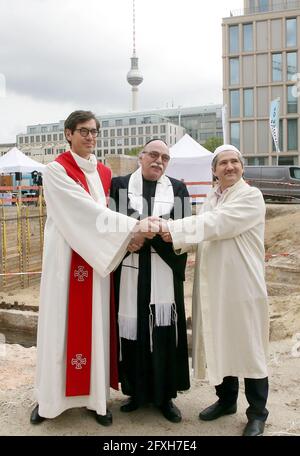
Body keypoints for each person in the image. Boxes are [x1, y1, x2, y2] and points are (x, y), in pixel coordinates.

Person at [30, 110, 158, 426]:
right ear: (68, 134)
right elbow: (80, 210)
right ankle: (49, 400)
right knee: (59, 325)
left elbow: (105, 213)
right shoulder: (56, 170)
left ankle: (94, 399)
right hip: (65, 258)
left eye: (94, 131)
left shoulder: (103, 172)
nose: (90, 136)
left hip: (95, 258)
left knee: (95, 327)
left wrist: (126, 234)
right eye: (84, 131)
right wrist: (132, 228)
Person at [160, 145, 269, 436]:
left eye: (235, 162)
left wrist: (173, 228)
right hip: (214, 283)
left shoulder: (250, 196)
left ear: (242, 168)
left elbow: (217, 224)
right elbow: (203, 231)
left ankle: (257, 413)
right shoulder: (212, 197)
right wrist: (169, 234)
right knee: (220, 339)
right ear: (214, 169)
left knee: (249, 346)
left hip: (242, 284)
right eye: (224, 163)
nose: (230, 167)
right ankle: (226, 400)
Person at [110, 139, 191, 423]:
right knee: (131, 332)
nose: (159, 161)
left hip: (164, 272)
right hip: (130, 270)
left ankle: (165, 397)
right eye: (153, 155)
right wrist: (134, 230)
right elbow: (111, 221)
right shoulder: (119, 185)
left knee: (164, 330)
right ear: (140, 156)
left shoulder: (178, 189)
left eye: (165, 158)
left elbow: (183, 228)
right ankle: (136, 393)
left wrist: (158, 229)